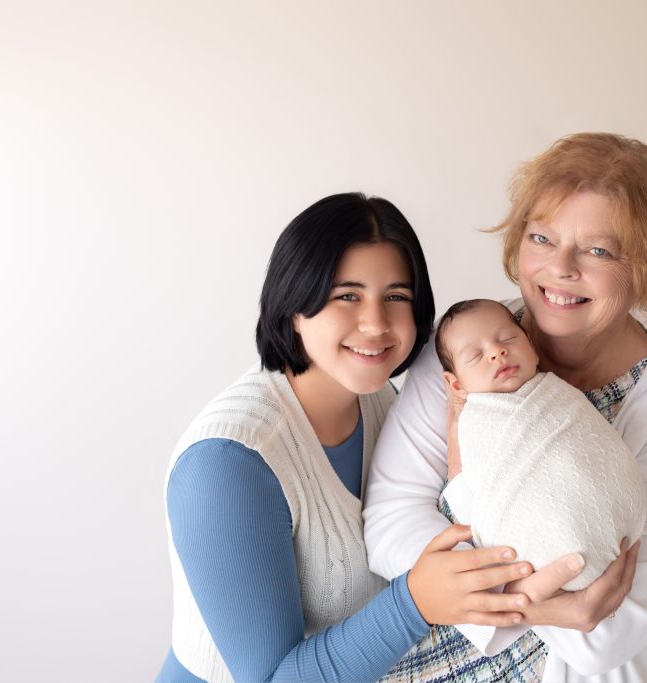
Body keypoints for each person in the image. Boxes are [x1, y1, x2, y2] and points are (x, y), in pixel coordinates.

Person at [365, 133, 647, 682]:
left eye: (598, 250)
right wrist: (529, 606)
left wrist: (452, 591)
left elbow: (606, 631)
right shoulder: (464, 346)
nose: (560, 268)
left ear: (646, 266)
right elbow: (389, 526)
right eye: (541, 237)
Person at [157, 193, 539, 683]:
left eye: (396, 297)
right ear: (295, 302)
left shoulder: (382, 402)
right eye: (347, 295)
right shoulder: (226, 464)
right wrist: (414, 603)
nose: (377, 324)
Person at [434, 298, 646, 591]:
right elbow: (466, 501)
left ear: (532, 348)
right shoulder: (473, 423)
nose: (497, 352)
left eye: (508, 338)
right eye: (475, 355)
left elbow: (590, 444)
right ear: (456, 384)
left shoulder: (556, 391)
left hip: (621, 517)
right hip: (545, 557)